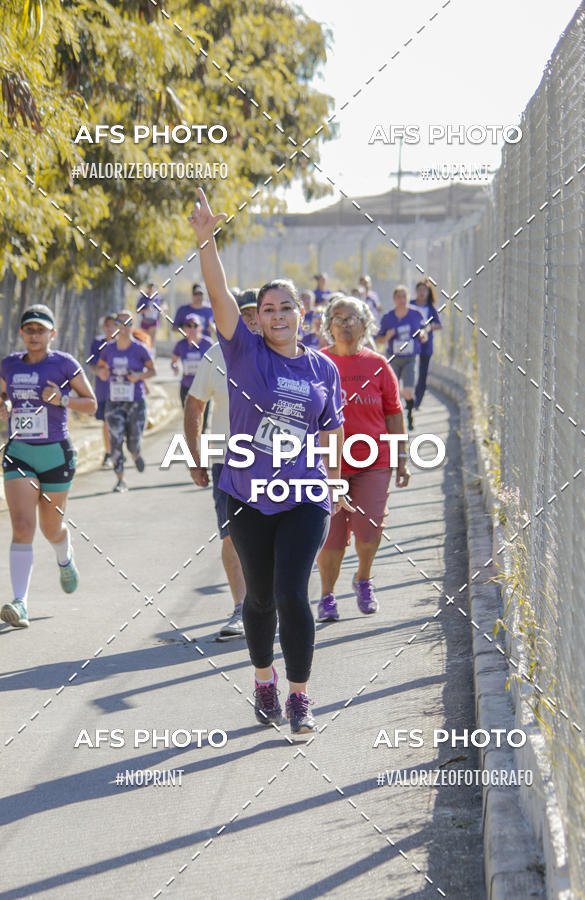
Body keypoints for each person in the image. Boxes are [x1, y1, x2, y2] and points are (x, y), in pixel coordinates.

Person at [189, 188, 345, 740]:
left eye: (286, 308)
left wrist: (335, 479)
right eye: (268, 310)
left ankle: (300, 697)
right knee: (257, 597)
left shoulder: (323, 370)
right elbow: (219, 294)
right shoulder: (242, 351)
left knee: (289, 593)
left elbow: (331, 431)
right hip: (247, 494)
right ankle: (263, 681)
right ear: (258, 318)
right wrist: (208, 241)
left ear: (303, 315)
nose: (276, 316)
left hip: (305, 496)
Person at [0, 305, 96, 628]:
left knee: (50, 527)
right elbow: (2, 397)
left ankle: (64, 557)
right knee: (23, 526)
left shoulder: (64, 364)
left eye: (41, 330)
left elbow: (92, 404)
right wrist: (4, 406)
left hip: (56, 453)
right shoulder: (9, 365)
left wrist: (62, 400)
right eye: (29, 330)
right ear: (22, 333)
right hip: (20, 453)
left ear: (51, 334)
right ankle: (20, 603)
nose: (35, 335)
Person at [317, 296, 409, 620]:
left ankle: (363, 579)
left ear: (364, 324)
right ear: (328, 325)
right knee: (332, 537)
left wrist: (401, 457)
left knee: (369, 528)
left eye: (351, 317)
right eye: (338, 318)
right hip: (328, 466)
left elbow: (394, 414)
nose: (344, 323)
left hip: (373, 460)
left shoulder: (378, 365)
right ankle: (327, 595)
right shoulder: (317, 364)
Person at [184, 290, 261, 639]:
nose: (248, 321)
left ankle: (271, 604)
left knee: (274, 537)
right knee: (232, 536)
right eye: (242, 314)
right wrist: (195, 456)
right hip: (227, 462)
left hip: (278, 463)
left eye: (253, 314)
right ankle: (241, 609)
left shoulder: (278, 354)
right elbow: (194, 405)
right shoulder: (215, 356)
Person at [96, 310, 156, 492]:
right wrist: (102, 372)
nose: (123, 327)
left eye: (127, 323)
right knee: (115, 440)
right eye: (119, 323)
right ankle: (120, 480)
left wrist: (139, 376)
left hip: (136, 401)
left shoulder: (140, 349)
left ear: (132, 325)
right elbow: (99, 367)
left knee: (133, 443)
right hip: (114, 401)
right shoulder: (108, 349)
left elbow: (152, 370)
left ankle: (136, 454)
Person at [375, 285, 427, 431]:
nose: (402, 300)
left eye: (404, 296)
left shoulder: (415, 314)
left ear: (408, 298)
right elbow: (379, 339)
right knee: (392, 391)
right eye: (399, 297)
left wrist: (423, 335)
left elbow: (424, 329)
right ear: (394, 299)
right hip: (393, 359)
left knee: (408, 391)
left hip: (410, 357)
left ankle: (410, 413)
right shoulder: (387, 317)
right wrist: (387, 337)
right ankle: (395, 419)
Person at [88, 313, 117, 467]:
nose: (110, 328)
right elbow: (91, 362)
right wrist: (99, 371)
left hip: (123, 390)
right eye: (108, 325)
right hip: (104, 388)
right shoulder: (98, 343)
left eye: (113, 325)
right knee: (106, 422)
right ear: (104, 327)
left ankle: (118, 449)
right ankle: (108, 452)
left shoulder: (124, 343)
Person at [171, 314, 213, 407]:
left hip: (203, 386)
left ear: (201, 328)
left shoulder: (208, 343)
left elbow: (216, 362)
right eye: (189, 326)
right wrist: (175, 367)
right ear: (184, 329)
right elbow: (173, 361)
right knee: (188, 418)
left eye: (195, 326)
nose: (192, 329)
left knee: (203, 420)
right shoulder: (181, 345)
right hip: (186, 386)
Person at [412, 279, 442, 409]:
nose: (422, 293)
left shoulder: (430, 308)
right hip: (411, 344)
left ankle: (417, 400)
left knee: (423, 373)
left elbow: (439, 324)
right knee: (410, 370)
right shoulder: (410, 305)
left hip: (426, 345)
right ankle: (408, 397)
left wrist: (429, 327)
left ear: (428, 292)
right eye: (419, 290)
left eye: (424, 290)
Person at [137, 282, 163, 349]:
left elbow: (164, 305)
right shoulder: (143, 299)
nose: (151, 289)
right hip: (145, 320)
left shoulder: (158, 298)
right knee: (145, 338)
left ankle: (152, 353)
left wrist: (162, 310)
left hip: (154, 321)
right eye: (150, 288)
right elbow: (138, 310)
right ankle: (146, 351)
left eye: (153, 288)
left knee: (152, 338)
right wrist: (146, 310)